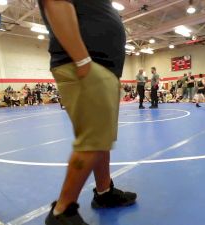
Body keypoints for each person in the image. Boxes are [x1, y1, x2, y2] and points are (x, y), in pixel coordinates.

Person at [37, 1, 137, 225]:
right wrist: (82, 59)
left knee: (101, 137)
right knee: (94, 138)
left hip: (101, 65)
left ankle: (104, 192)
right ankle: (62, 212)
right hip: (85, 62)